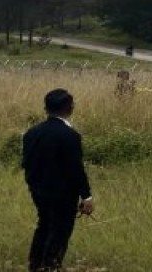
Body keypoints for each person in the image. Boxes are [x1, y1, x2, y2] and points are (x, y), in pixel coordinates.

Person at [22, 88, 94, 272]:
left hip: (38, 190)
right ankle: (51, 265)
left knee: (44, 224)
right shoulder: (70, 136)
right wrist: (86, 196)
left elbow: (27, 163)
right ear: (69, 108)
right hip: (63, 194)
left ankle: (35, 264)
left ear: (46, 109)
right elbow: (75, 169)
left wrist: (33, 185)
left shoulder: (32, 133)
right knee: (60, 230)